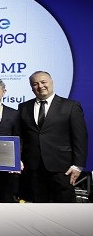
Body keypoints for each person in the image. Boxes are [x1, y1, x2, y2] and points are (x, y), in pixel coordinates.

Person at [18, 70, 88, 202]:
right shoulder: (23, 107)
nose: (40, 86)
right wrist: (18, 160)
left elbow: (80, 138)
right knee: (38, 210)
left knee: (64, 211)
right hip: (33, 168)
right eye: (35, 84)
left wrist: (78, 166)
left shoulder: (71, 106)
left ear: (52, 82)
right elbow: (20, 136)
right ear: (31, 87)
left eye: (43, 82)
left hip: (62, 168)